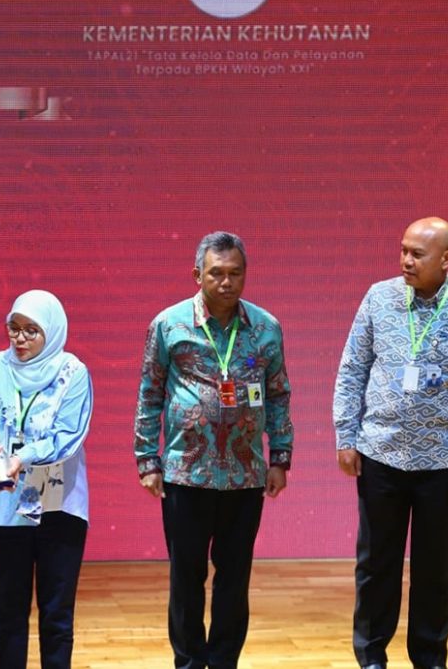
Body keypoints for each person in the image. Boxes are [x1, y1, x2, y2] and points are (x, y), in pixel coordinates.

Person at [333, 217, 448, 669]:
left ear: (446, 259)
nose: (406, 260)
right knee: (376, 564)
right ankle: (371, 656)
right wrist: (346, 435)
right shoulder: (378, 297)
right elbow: (352, 369)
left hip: (443, 462)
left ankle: (429, 658)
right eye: (403, 250)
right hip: (380, 453)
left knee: (435, 568)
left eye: (417, 254)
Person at [133, 231, 293, 669]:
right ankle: (188, 661)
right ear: (197, 275)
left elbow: (278, 394)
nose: (226, 282)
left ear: (246, 274)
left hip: (245, 473)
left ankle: (224, 661)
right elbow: (150, 392)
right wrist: (147, 459)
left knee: (234, 579)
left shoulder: (266, 327)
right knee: (186, 579)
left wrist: (280, 456)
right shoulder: (169, 325)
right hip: (185, 473)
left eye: (235, 273)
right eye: (216, 273)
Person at [0, 290, 94, 669]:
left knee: (57, 615)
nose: (19, 339)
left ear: (51, 331)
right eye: (14, 328)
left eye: (31, 331)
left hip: (58, 504)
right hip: (4, 503)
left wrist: (23, 456)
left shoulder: (73, 373)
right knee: (8, 616)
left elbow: (68, 436)